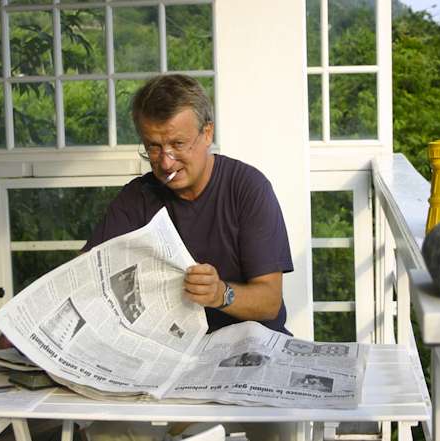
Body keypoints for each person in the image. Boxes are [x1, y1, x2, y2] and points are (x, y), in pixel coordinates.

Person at [82, 73, 294, 335]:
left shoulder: (248, 188)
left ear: (207, 133)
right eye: (154, 147)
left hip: (250, 347)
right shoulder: (138, 196)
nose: (166, 162)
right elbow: (84, 273)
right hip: (173, 349)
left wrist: (220, 294)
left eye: (177, 144)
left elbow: (269, 302)